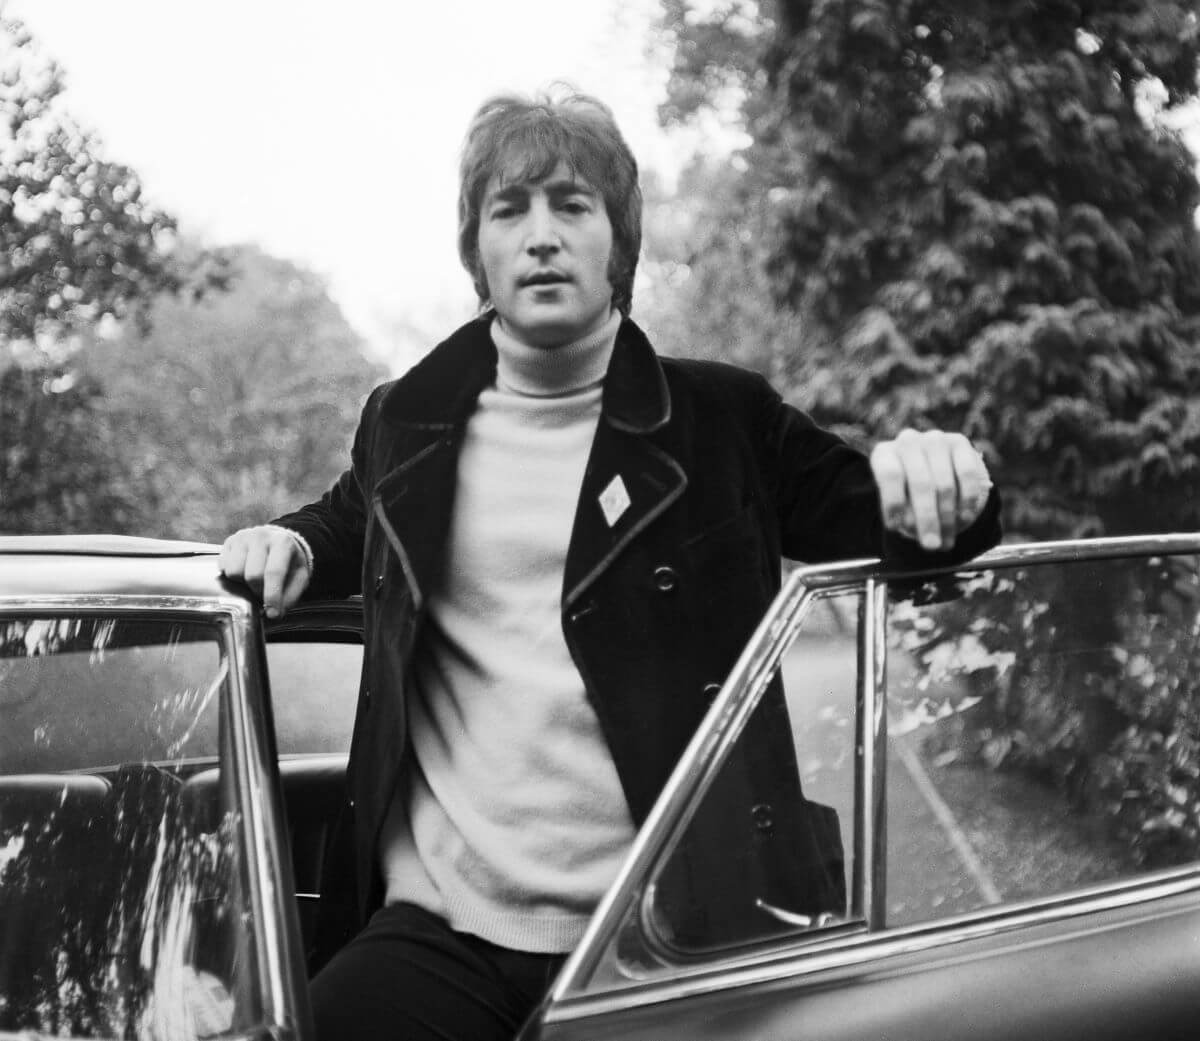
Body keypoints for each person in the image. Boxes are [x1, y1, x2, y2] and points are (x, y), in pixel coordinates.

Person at [220, 88, 1001, 1041]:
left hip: (670, 931)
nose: (540, 235)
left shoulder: (723, 422)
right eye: (510, 209)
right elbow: (344, 522)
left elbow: (911, 521)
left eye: (571, 204)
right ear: (479, 249)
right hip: (441, 929)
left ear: (616, 242)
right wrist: (287, 541)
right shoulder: (404, 422)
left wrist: (944, 478)